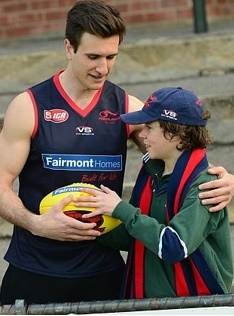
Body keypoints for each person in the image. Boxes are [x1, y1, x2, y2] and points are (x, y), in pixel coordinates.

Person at [0, 0, 233, 305]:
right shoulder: (29, 106)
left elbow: (181, 156)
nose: (103, 68)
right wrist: (35, 223)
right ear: (69, 48)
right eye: (93, 56)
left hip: (103, 268)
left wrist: (223, 179)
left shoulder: (127, 108)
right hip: (37, 265)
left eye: (111, 57)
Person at [76, 87, 234, 299]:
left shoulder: (206, 185)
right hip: (147, 304)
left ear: (177, 134)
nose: (141, 134)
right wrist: (88, 221)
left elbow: (174, 246)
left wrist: (121, 209)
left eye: (149, 127)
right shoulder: (151, 173)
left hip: (194, 307)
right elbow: (135, 236)